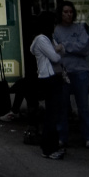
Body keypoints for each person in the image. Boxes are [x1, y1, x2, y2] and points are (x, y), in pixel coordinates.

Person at [53, 0, 89, 149]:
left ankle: (88, 137)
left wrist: (65, 46)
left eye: (71, 12)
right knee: (63, 106)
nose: (68, 14)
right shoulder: (56, 30)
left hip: (80, 70)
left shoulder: (80, 28)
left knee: (83, 107)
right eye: (65, 12)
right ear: (60, 13)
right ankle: (62, 137)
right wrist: (72, 47)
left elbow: (84, 47)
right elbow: (55, 50)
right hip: (64, 71)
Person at [30, 11, 65, 159]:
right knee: (51, 114)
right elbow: (56, 56)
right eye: (54, 23)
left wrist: (58, 49)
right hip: (49, 77)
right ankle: (49, 148)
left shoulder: (47, 38)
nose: (55, 26)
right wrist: (58, 49)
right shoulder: (42, 39)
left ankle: (52, 145)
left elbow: (60, 51)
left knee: (54, 113)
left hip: (53, 77)